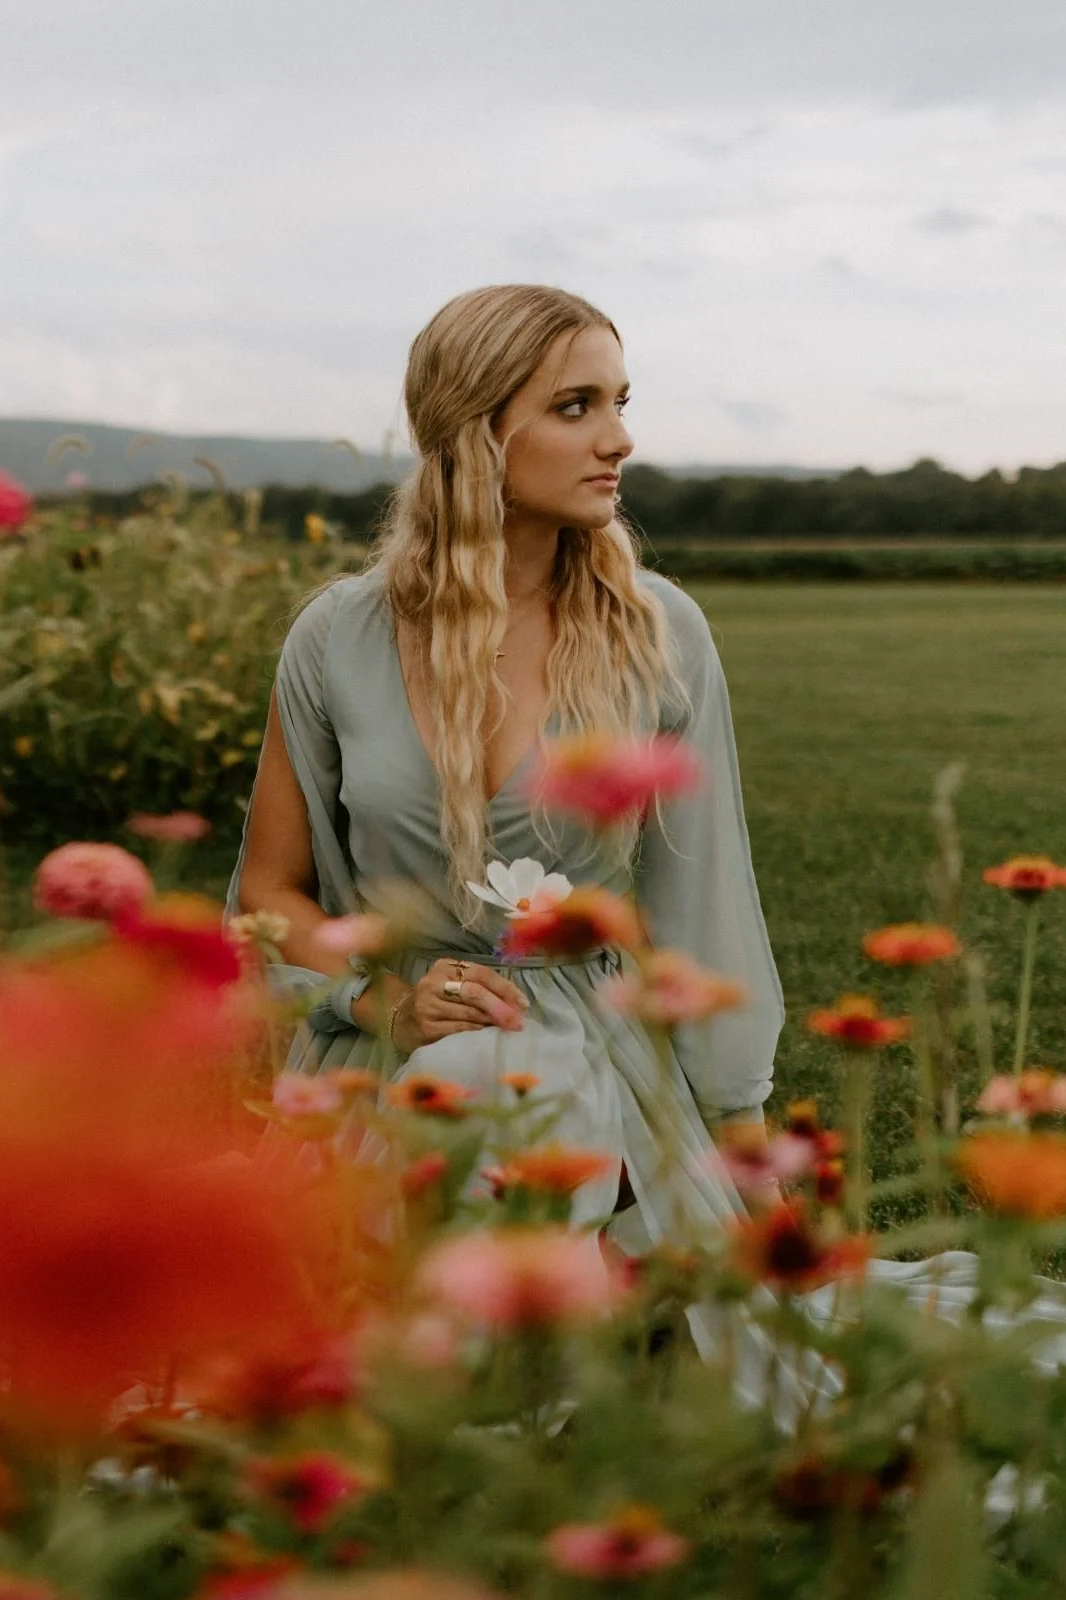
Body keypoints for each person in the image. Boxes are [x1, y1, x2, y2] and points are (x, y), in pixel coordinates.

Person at [228, 283, 778, 1255]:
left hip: (592, 1057)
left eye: (621, 402)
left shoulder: (660, 635)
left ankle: (578, 1285)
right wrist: (383, 999)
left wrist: (741, 1150)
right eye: (577, 407)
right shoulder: (334, 638)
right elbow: (268, 895)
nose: (619, 439)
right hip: (388, 1057)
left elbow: (707, 910)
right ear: (475, 430)